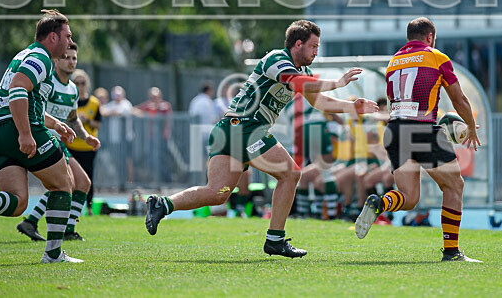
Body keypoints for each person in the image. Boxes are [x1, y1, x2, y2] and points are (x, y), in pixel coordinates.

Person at [144, 20, 378, 258]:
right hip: (245, 128)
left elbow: (319, 101)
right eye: (314, 46)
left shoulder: (303, 71)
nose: (316, 52)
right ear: (298, 44)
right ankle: (275, 240)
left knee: (218, 192)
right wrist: (338, 82)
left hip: (229, 129)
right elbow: (295, 82)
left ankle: (162, 204)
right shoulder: (277, 59)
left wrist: (352, 107)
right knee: (290, 173)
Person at [0, 10, 84, 263]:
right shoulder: (41, 58)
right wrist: (26, 134)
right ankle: (53, 254)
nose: (70, 42)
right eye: (67, 36)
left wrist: (56, 124)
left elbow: (24, 99)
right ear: (52, 37)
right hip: (18, 130)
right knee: (63, 184)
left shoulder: (25, 55)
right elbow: (18, 88)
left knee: (17, 204)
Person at [354, 17, 481, 262]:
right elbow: (459, 99)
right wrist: (471, 127)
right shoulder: (437, 57)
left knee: (409, 197)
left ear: (408, 38)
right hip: (422, 129)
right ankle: (452, 252)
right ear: (430, 37)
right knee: (454, 186)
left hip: (394, 130)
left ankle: (379, 203)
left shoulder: (394, 61)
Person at [17, 45, 101, 242]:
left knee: (82, 183)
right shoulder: (48, 83)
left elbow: (73, 119)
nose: (71, 61)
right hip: (45, 138)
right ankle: (60, 230)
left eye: (74, 58)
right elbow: (37, 109)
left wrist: (86, 137)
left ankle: (42, 223)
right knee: (67, 184)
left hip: (59, 144)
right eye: (67, 57)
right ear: (57, 61)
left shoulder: (72, 89)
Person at [67, 69, 103, 215]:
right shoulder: (69, 100)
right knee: (70, 179)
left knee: (88, 178)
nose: (80, 86)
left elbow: (98, 124)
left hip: (87, 147)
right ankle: (68, 208)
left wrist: (86, 120)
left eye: (82, 83)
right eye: (76, 83)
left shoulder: (94, 103)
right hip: (71, 145)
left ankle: (88, 208)